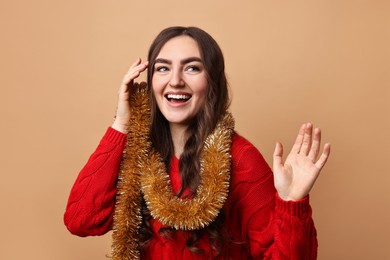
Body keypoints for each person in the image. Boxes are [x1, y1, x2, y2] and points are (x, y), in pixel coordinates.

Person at [64, 26, 331, 259]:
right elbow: (81, 221)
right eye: (163, 68)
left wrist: (291, 203)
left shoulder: (239, 158)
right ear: (150, 81)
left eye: (192, 67)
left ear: (211, 81)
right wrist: (121, 124)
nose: (176, 81)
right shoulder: (138, 153)